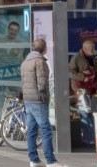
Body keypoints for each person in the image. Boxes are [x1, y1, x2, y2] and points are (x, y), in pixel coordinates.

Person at [22, 38, 59, 166]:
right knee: (45, 129)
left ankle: (34, 160)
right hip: (38, 100)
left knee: (32, 130)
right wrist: (44, 97)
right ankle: (51, 161)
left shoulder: (26, 61)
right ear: (44, 49)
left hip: (28, 100)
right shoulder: (40, 62)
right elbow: (42, 83)